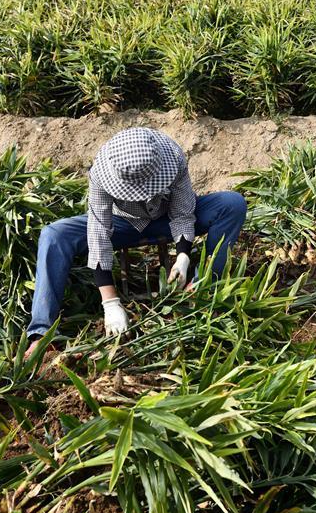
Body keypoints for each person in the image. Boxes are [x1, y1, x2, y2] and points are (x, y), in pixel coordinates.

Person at [24, 127, 247, 357]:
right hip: (121, 225)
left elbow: (182, 212)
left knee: (231, 204)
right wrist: (109, 302)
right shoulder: (101, 171)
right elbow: (99, 232)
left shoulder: (172, 156)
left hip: (165, 218)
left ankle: (203, 287)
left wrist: (183, 256)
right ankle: (42, 334)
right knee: (53, 235)